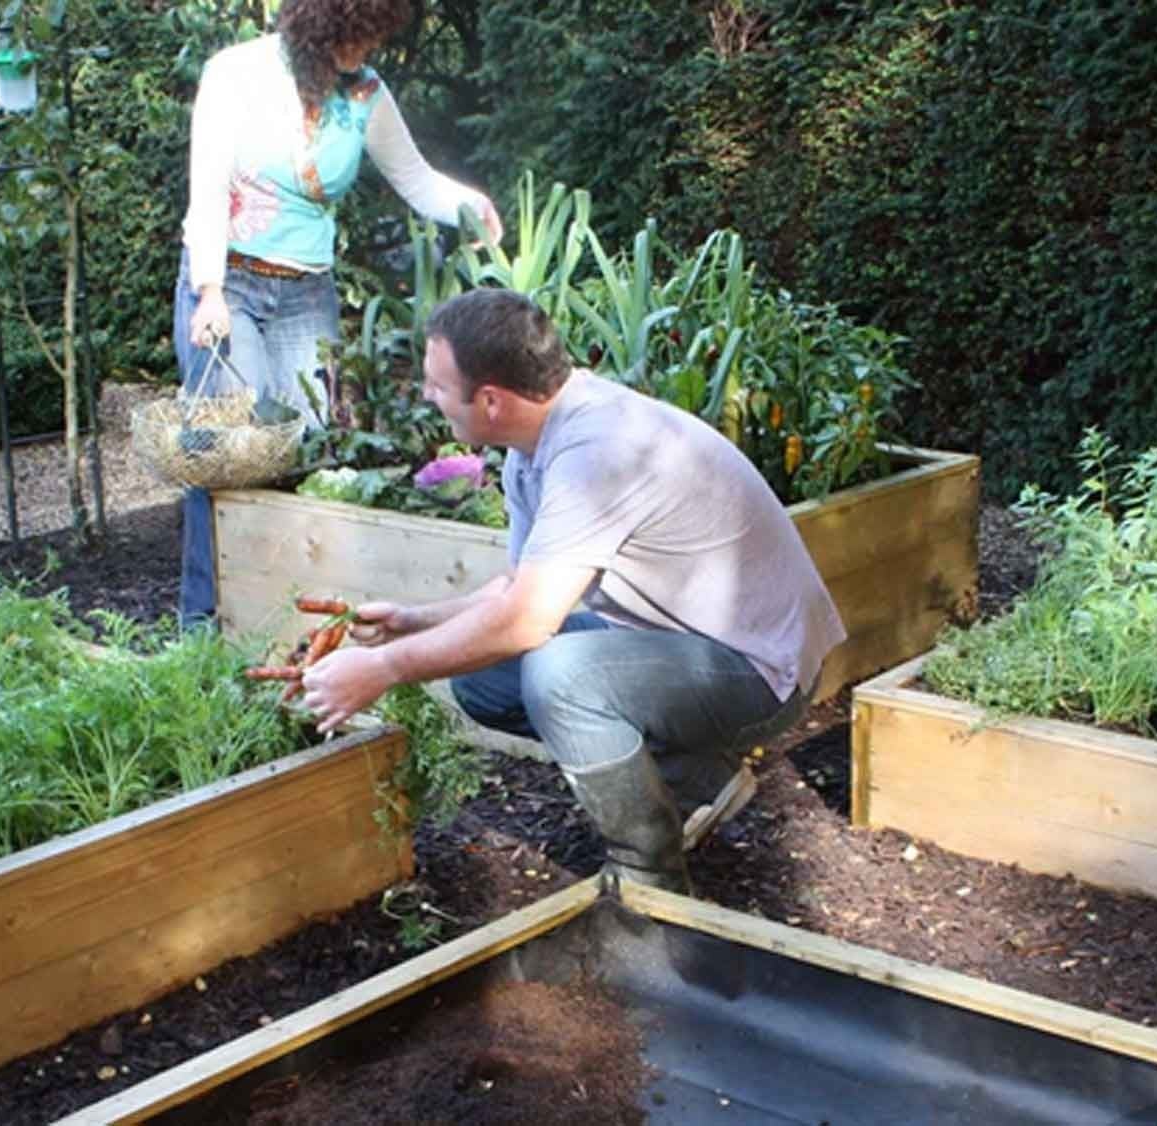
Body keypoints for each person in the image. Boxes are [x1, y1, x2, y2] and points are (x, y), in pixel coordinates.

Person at [301, 289, 846, 893]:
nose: (427, 395)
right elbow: (518, 588)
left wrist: (380, 669)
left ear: (490, 400)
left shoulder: (597, 450)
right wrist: (413, 622)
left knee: (560, 675)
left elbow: (526, 623)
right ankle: (699, 781)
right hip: (683, 644)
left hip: (760, 673)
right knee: (484, 678)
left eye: (436, 385)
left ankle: (649, 875)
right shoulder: (531, 446)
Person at [172, 0, 503, 626]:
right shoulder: (236, 74)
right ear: (319, 25)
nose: (364, 52)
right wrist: (210, 290)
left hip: (306, 293)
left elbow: (417, 178)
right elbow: (209, 186)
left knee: (309, 446)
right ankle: (204, 624)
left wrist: (472, 205)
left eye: (373, 37)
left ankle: (284, 620)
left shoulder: (367, 94)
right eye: (354, 37)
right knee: (226, 452)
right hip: (230, 282)